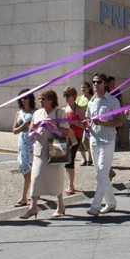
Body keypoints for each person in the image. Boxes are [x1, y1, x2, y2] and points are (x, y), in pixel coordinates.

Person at [22, 90, 76, 219]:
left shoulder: (59, 112)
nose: (41, 101)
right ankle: (33, 207)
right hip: (40, 150)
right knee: (35, 177)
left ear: (51, 99)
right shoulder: (37, 113)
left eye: (44, 99)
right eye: (40, 99)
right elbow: (31, 129)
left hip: (55, 148)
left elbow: (66, 131)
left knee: (56, 178)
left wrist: (52, 127)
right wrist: (35, 129)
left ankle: (60, 206)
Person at [85, 73, 123, 216]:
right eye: (93, 82)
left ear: (105, 84)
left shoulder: (113, 101)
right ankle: (111, 202)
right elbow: (89, 121)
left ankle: (95, 206)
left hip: (107, 141)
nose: (95, 84)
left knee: (101, 173)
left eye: (98, 82)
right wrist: (87, 124)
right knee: (102, 174)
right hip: (94, 141)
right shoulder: (91, 102)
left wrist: (103, 122)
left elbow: (119, 122)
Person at [11, 89, 36, 207]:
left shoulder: (35, 112)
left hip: (33, 143)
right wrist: (23, 126)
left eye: (25, 97)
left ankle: (25, 197)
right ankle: (31, 194)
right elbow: (14, 131)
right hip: (23, 144)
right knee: (25, 169)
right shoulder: (19, 113)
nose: (23, 100)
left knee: (33, 170)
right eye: (21, 98)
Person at [63, 86, 85, 196]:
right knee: (65, 161)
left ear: (74, 96)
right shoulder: (64, 109)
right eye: (65, 95)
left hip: (75, 137)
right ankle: (69, 184)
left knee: (70, 160)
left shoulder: (79, 109)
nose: (66, 98)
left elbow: (85, 125)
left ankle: (71, 185)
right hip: (65, 137)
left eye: (68, 95)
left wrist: (74, 123)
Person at [76, 81, 93, 166]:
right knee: (79, 141)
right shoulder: (79, 99)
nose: (83, 89)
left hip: (87, 122)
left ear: (89, 88)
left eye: (84, 87)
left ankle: (90, 158)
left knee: (85, 140)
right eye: (82, 87)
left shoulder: (91, 98)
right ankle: (84, 159)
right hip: (79, 122)